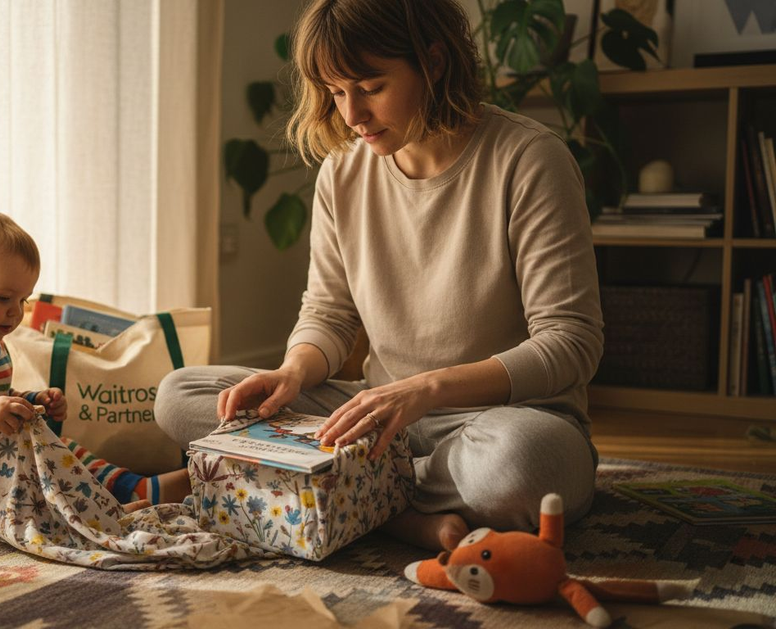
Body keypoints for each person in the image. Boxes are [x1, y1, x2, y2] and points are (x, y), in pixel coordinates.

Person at [154, 0, 603, 551]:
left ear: (434, 63)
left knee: (519, 469)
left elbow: (571, 342)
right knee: (181, 394)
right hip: (377, 420)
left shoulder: (530, 159)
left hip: (501, 425)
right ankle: (395, 511)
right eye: (336, 92)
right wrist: (293, 372)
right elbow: (330, 314)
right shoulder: (342, 173)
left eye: (369, 86)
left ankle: (336, 494)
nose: (351, 115)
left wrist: (426, 389)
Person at [0, 210, 185, 534]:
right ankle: (90, 519)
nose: (16, 312)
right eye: (4, 297)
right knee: (3, 500)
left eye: (23, 299)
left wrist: (31, 402)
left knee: (63, 452)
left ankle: (138, 488)